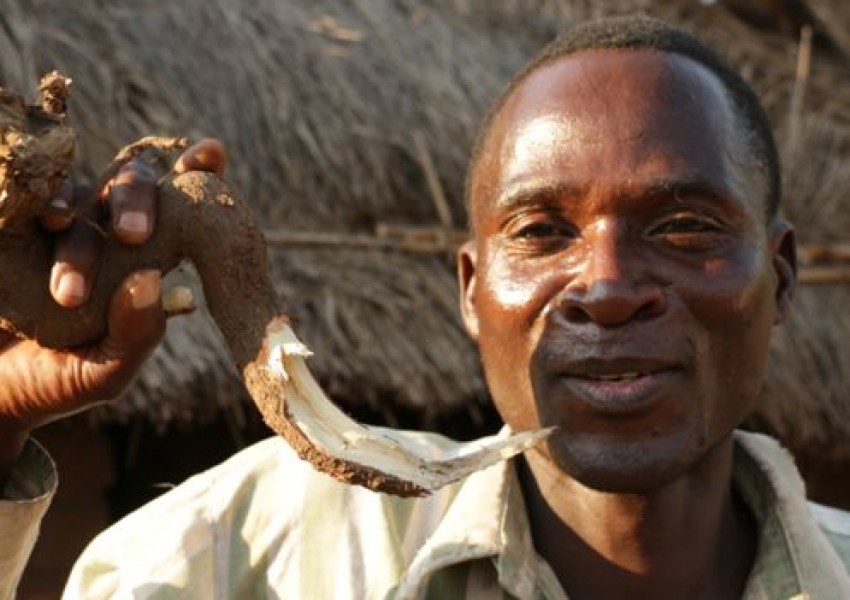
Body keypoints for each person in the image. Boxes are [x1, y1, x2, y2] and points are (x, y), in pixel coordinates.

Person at [2, 14, 849, 599]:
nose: (610, 287)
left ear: (777, 276)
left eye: (686, 227)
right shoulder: (245, 552)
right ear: (470, 291)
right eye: (543, 231)